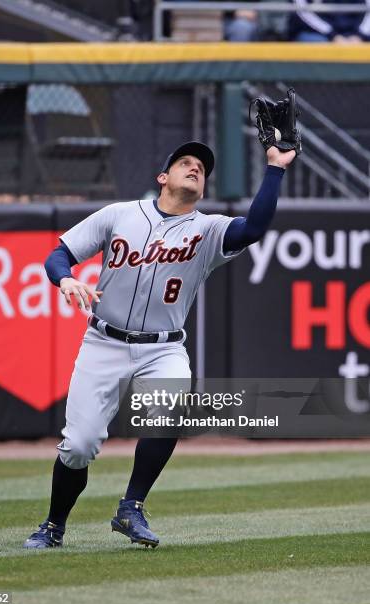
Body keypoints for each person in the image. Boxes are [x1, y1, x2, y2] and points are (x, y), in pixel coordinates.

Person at [23, 140, 296, 550]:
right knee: (79, 445)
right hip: (104, 342)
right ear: (162, 177)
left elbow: (254, 228)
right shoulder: (119, 215)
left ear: (203, 188)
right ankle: (53, 526)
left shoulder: (208, 230)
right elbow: (59, 254)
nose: (195, 168)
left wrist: (275, 167)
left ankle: (131, 506)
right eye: (185, 162)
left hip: (163, 348)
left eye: (201, 168)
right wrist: (65, 278)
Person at [289, 0, 370, 42]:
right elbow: (302, 11)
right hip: (318, 33)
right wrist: (333, 35)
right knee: (316, 43)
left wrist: (360, 35)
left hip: (357, 34)